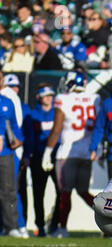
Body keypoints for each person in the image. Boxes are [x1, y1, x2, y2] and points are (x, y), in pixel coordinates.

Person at [42, 71, 101, 238]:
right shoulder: (94, 98)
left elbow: (56, 128)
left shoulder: (63, 99)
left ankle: (62, 228)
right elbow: (99, 125)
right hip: (86, 152)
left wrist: (47, 152)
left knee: (65, 193)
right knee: (83, 192)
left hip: (66, 153)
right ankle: (109, 218)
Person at [23, 83, 61, 236]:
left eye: (51, 95)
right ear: (39, 97)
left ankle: (54, 224)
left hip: (56, 157)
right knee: (39, 194)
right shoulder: (32, 115)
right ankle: (40, 226)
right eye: (46, 96)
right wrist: (28, 156)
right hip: (38, 158)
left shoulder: (57, 113)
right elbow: (29, 138)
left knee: (61, 192)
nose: (49, 99)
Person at [0, 71, 23, 237]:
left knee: (8, 190)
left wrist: (18, 140)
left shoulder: (7, 102)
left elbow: (15, 126)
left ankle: (11, 226)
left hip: (5, 153)